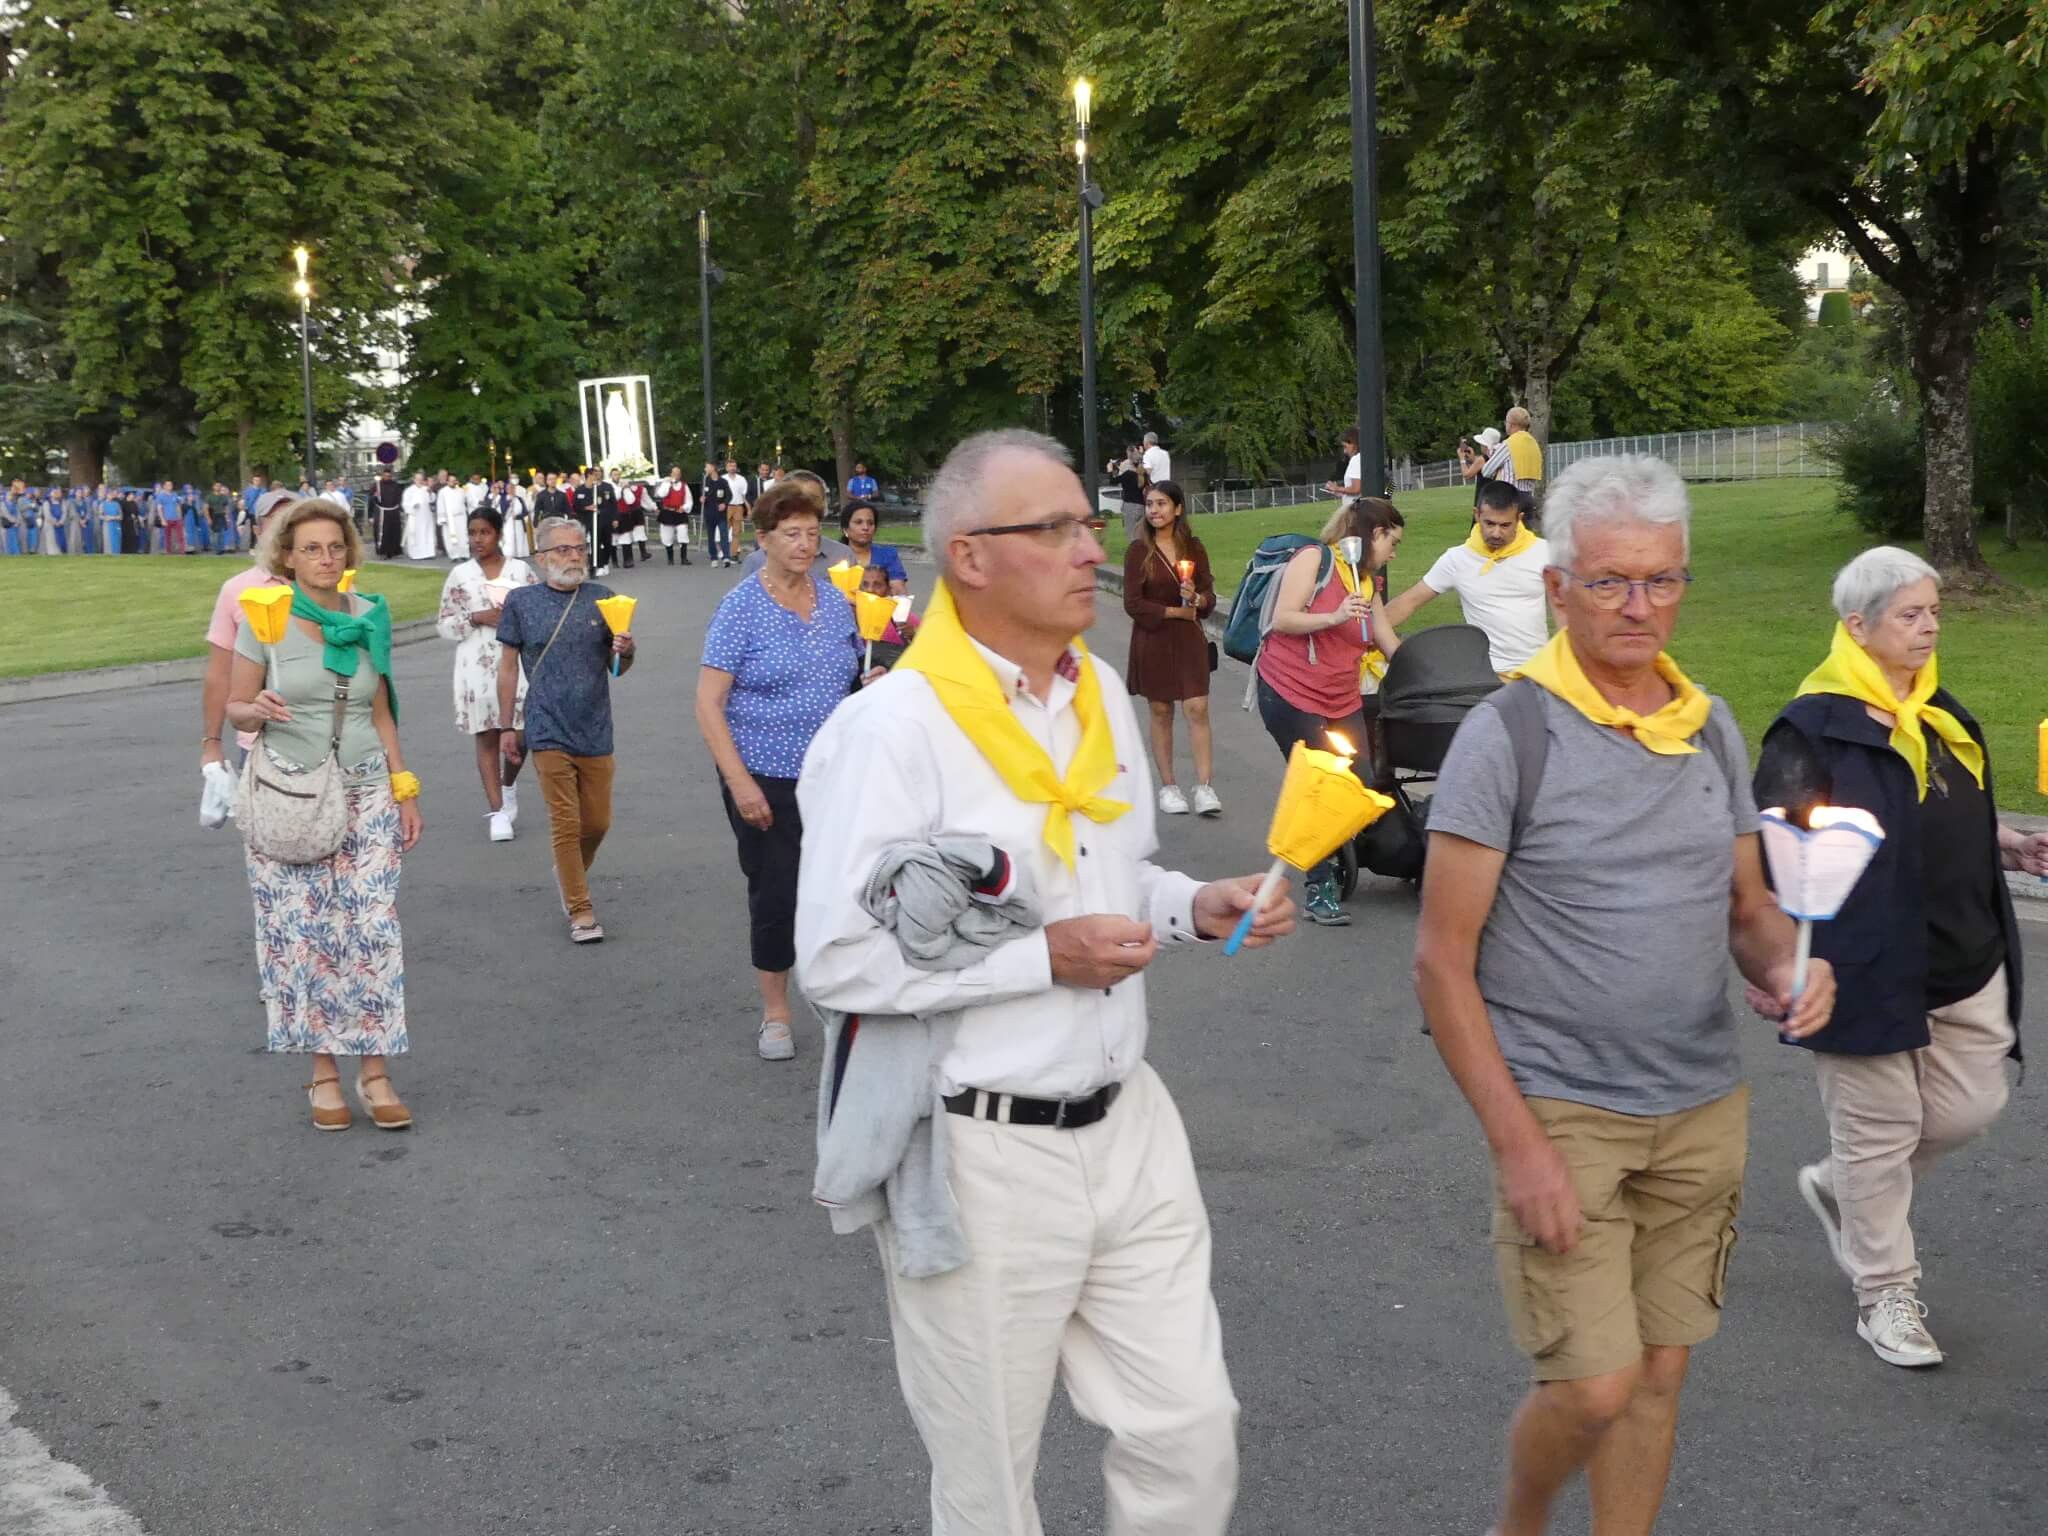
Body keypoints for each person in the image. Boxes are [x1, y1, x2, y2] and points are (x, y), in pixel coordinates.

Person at [794, 427, 1296, 1536]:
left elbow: (1115, 873)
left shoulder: (1098, 693)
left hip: (1129, 1127)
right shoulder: (888, 730)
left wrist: (1186, 904)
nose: (1092, 547)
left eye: (1088, 521)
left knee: (1189, 1434)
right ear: (968, 557)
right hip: (979, 1150)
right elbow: (835, 959)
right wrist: (1040, 962)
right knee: (988, 1489)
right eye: (1058, 527)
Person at [1413, 454, 1835, 1536]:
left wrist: (1789, 967)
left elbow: (1745, 912)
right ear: (1557, 586)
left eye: (1661, 580)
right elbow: (1439, 962)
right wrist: (1517, 1147)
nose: (1637, 606)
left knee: (1653, 1375)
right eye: (1608, 582)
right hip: (1562, 1112)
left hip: (1697, 1107)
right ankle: (1519, 1521)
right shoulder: (1503, 738)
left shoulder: (1709, 725)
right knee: (1590, 1388)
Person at [1754, 547, 2043, 1369]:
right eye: (1910, 615)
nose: (1929, 628)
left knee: (1966, 1110)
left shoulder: (1941, 715)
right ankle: (1885, 1295)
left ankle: (1842, 1185)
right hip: (1865, 964)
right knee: (1879, 1138)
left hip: (1964, 953)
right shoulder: (1813, 728)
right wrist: (1775, 956)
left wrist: (2005, 842)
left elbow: (1943, 812)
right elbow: (1772, 846)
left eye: (1934, 613)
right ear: (1857, 627)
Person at [226, 495, 422, 1133]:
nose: (325, 558)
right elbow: (234, 706)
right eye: (310, 548)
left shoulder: (371, 613)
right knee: (303, 937)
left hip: (366, 789)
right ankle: (323, 1076)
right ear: (285, 556)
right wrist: (255, 710)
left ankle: (375, 1072)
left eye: (335, 547)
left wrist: (405, 786)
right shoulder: (267, 618)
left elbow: (382, 709)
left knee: (372, 931)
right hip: (293, 797)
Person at [696, 478, 863, 1061]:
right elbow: (707, 702)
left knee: (845, 889)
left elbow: (848, 673)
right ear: (762, 539)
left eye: (813, 533)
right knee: (776, 893)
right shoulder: (742, 606)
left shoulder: (835, 598)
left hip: (835, 777)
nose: (804, 543)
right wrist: (739, 783)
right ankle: (775, 1013)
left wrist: (867, 683)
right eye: (791, 533)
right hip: (765, 775)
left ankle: (842, 998)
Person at [1252, 497, 1404, 925]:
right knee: (1316, 783)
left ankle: (1335, 846)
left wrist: (1427, 670)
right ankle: (1319, 886)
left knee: (1363, 778)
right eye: (1392, 541)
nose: (1395, 551)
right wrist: (1335, 615)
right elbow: (1282, 619)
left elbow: (1389, 642)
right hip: (1288, 690)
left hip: (1340, 695)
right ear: (1375, 534)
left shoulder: (1368, 583)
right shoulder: (1314, 560)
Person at [496, 515, 636, 943]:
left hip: (595, 724)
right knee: (565, 821)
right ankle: (581, 910)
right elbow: (506, 670)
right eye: (562, 549)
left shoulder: (604, 598)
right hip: (546, 726)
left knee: (597, 823)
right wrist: (507, 726)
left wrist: (625, 650)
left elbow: (618, 668)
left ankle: (568, 870)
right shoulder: (521, 602)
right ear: (541, 558)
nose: (574, 557)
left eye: (579, 548)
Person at [438, 507, 539, 843]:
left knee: (520, 736)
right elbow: (445, 624)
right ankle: (497, 811)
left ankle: (508, 784)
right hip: (476, 666)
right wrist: (476, 616)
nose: (477, 539)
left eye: (484, 532)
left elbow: (540, 612)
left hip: (516, 664)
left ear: (498, 534)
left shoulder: (520, 571)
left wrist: (514, 616)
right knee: (488, 735)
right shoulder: (460, 575)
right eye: (472, 533)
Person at [1383, 479, 1552, 677]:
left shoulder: (1544, 552)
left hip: (1539, 673)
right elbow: (1409, 601)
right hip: (1486, 676)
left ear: (1519, 519)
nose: (1496, 533)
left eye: (1505, 525)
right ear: (1477, 515)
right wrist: (1364, 635)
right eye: (1489, 523)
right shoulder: (1457, 559)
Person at [1123, 478, 1219, 818]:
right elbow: (1133, 603)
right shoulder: (1138, 551)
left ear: (1178, 508)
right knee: (1161, 711)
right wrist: (1175, 611)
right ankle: (1169, 786)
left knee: (1197, 707)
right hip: (1154, 638)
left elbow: (1209, 598)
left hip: (1188, 639)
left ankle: (1204, 786)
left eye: (1161, 504)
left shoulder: (1194, 548)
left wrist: (1197, 598)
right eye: (1150, 504)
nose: (1154, 510)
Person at [201, 487, 296, 786]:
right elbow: (219, 674)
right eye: (275, 521)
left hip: (326, 740)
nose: (285, 529)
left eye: (293, 520)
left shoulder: (331, 586)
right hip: (259, 742)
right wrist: (212, 743)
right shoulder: (237, 590)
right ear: (257, 530)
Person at [838, 499, 906, 594]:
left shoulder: (888, 555)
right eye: (858, 522)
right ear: (845, 529)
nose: (865, 527)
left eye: (870, 523)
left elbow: (899, 593)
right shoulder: (834, 555)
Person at [655, 465, 693, 564]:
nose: (676, 475)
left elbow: (689, 500)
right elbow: (661, 494)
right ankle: (670, 559)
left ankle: (683, 558)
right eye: (674, 473)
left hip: (680, 513)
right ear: (671, 474)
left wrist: (684, 507)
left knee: (683, 533)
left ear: (680, 475)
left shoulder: (684, 486)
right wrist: (667, 483)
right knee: (667, 536)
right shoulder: (665, 484)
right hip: (667, 512)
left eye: (678, 474)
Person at [700, 461, 732, 567]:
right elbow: (702, 495)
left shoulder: (723, 482)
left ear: (713, 468)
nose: (705, 469)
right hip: (709, 513)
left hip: (721, 514)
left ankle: (726, 557)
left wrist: (724, 503)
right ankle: (713, 557)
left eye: (707, 467)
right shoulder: (705, 481)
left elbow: (729, 495)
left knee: (724, 535)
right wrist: (702, 499)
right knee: (711, 536)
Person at [1323, 425, 1363, 509]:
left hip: (1353, 510)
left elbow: (1356, 489)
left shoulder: (1356, 460)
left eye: (1345, 447)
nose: (1345, 451)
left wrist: (1337, 488)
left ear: (1354, 444)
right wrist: (1342, 491)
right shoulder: (1363, 458)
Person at [1112, 444, 1146, 541]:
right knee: (1141, 534)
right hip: (1141, 506)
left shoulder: (1127, 474)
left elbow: (1114, 480)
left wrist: (1112, 469)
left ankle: (1135, 554)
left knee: (1131, 535)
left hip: (1130, 506)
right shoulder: (1142, 475)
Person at [369, 468, 405, 559]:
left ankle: (394, 551)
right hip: (382, 512)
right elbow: (371, 500)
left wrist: (400, 509)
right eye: (385, 476)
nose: (387, 477)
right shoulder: (376, 486)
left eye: (389, 476)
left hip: (393, 511)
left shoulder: (395, 485)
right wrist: (370, 515)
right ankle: (382, 552)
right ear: (382, 476)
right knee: (382, 533)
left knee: (395, 532)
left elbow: (399, 498)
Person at [435, 473, 469, 562]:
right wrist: (442, 518)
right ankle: (454, 555)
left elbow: (466, 501)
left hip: (461, 517)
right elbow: (440, 505)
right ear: (447, 481)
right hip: (449, 518)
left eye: (454, 481)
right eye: (451, 481)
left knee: (463, 536)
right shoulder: (443, 492)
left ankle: (464, 554)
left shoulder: (461, 491)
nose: (453, 482)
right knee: (451, 537)